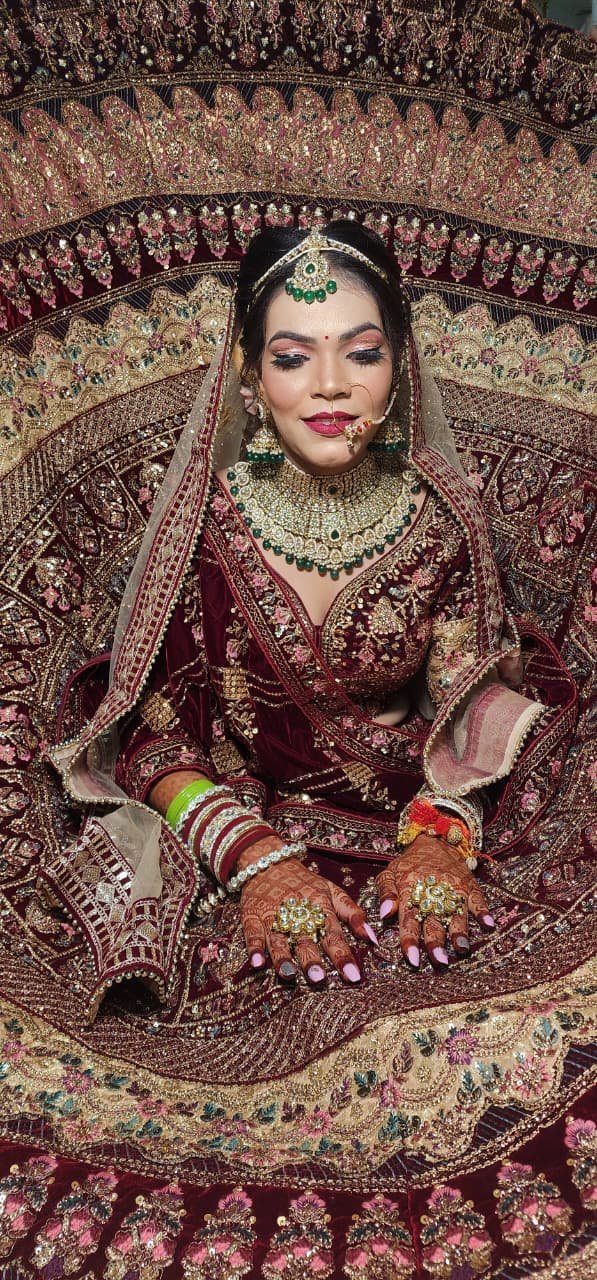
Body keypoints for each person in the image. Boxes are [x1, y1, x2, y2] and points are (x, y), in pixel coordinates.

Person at [45, 221, 570, 1019]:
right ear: (250, 377)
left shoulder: (440, 521)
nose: (330, 386)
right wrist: (256, 860)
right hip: (238, 818)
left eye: (362, 354)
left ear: (398, 369)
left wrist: (441, 835)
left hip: (410, 814)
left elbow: (469, 707)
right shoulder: (203, 527)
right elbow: (155, 736)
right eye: (292, 358)